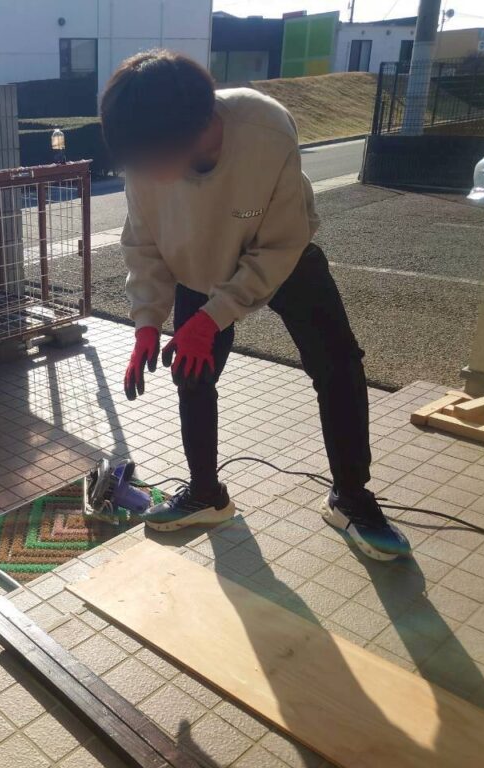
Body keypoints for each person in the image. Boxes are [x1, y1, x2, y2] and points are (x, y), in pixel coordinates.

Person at [102, 50, 410, 561]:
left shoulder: (265, 129)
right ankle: (206, 494)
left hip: (281, 254)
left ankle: (351, 497)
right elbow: (143, 244)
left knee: (338, 366)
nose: (144, 172)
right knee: (192, 375)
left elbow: (280, 244)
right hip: (200, 265)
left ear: (192, 129)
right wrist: (146, 322)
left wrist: (214, 318)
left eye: (152, 158)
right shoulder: (144, 153)